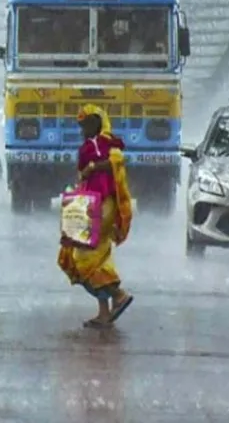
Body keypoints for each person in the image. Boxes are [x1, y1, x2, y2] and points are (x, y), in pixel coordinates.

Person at [58, 104, 134, 329]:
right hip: (98, 204)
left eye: (87, 124)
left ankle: (118, 295)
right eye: (81, 125)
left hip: (100, 207)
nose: (83, 130)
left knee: (84, 257)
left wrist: (90, 167)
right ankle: (104, 312)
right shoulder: (106, 145)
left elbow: (110, 164)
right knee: (99, 256)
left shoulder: (100, 146)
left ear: (97, 124)